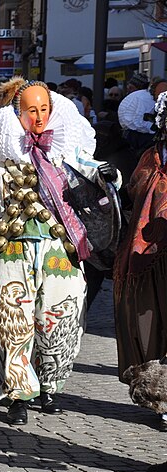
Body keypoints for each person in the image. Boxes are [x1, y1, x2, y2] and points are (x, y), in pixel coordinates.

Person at [0, 80, 118, 425]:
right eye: (30, 111)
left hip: (58, 249)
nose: (37, 118)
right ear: (17, 113)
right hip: (9, 249)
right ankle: (17, 394)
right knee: (11, 322)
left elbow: (91, 167)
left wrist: (109, 174)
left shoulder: (65, 148)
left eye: (43, 110)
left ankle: (50, 386)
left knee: (61, 318)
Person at [115, 91, 167, 431]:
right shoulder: (151, 157)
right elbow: (136, 192)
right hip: (148, 258)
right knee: (150, 328)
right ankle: (159, 396)